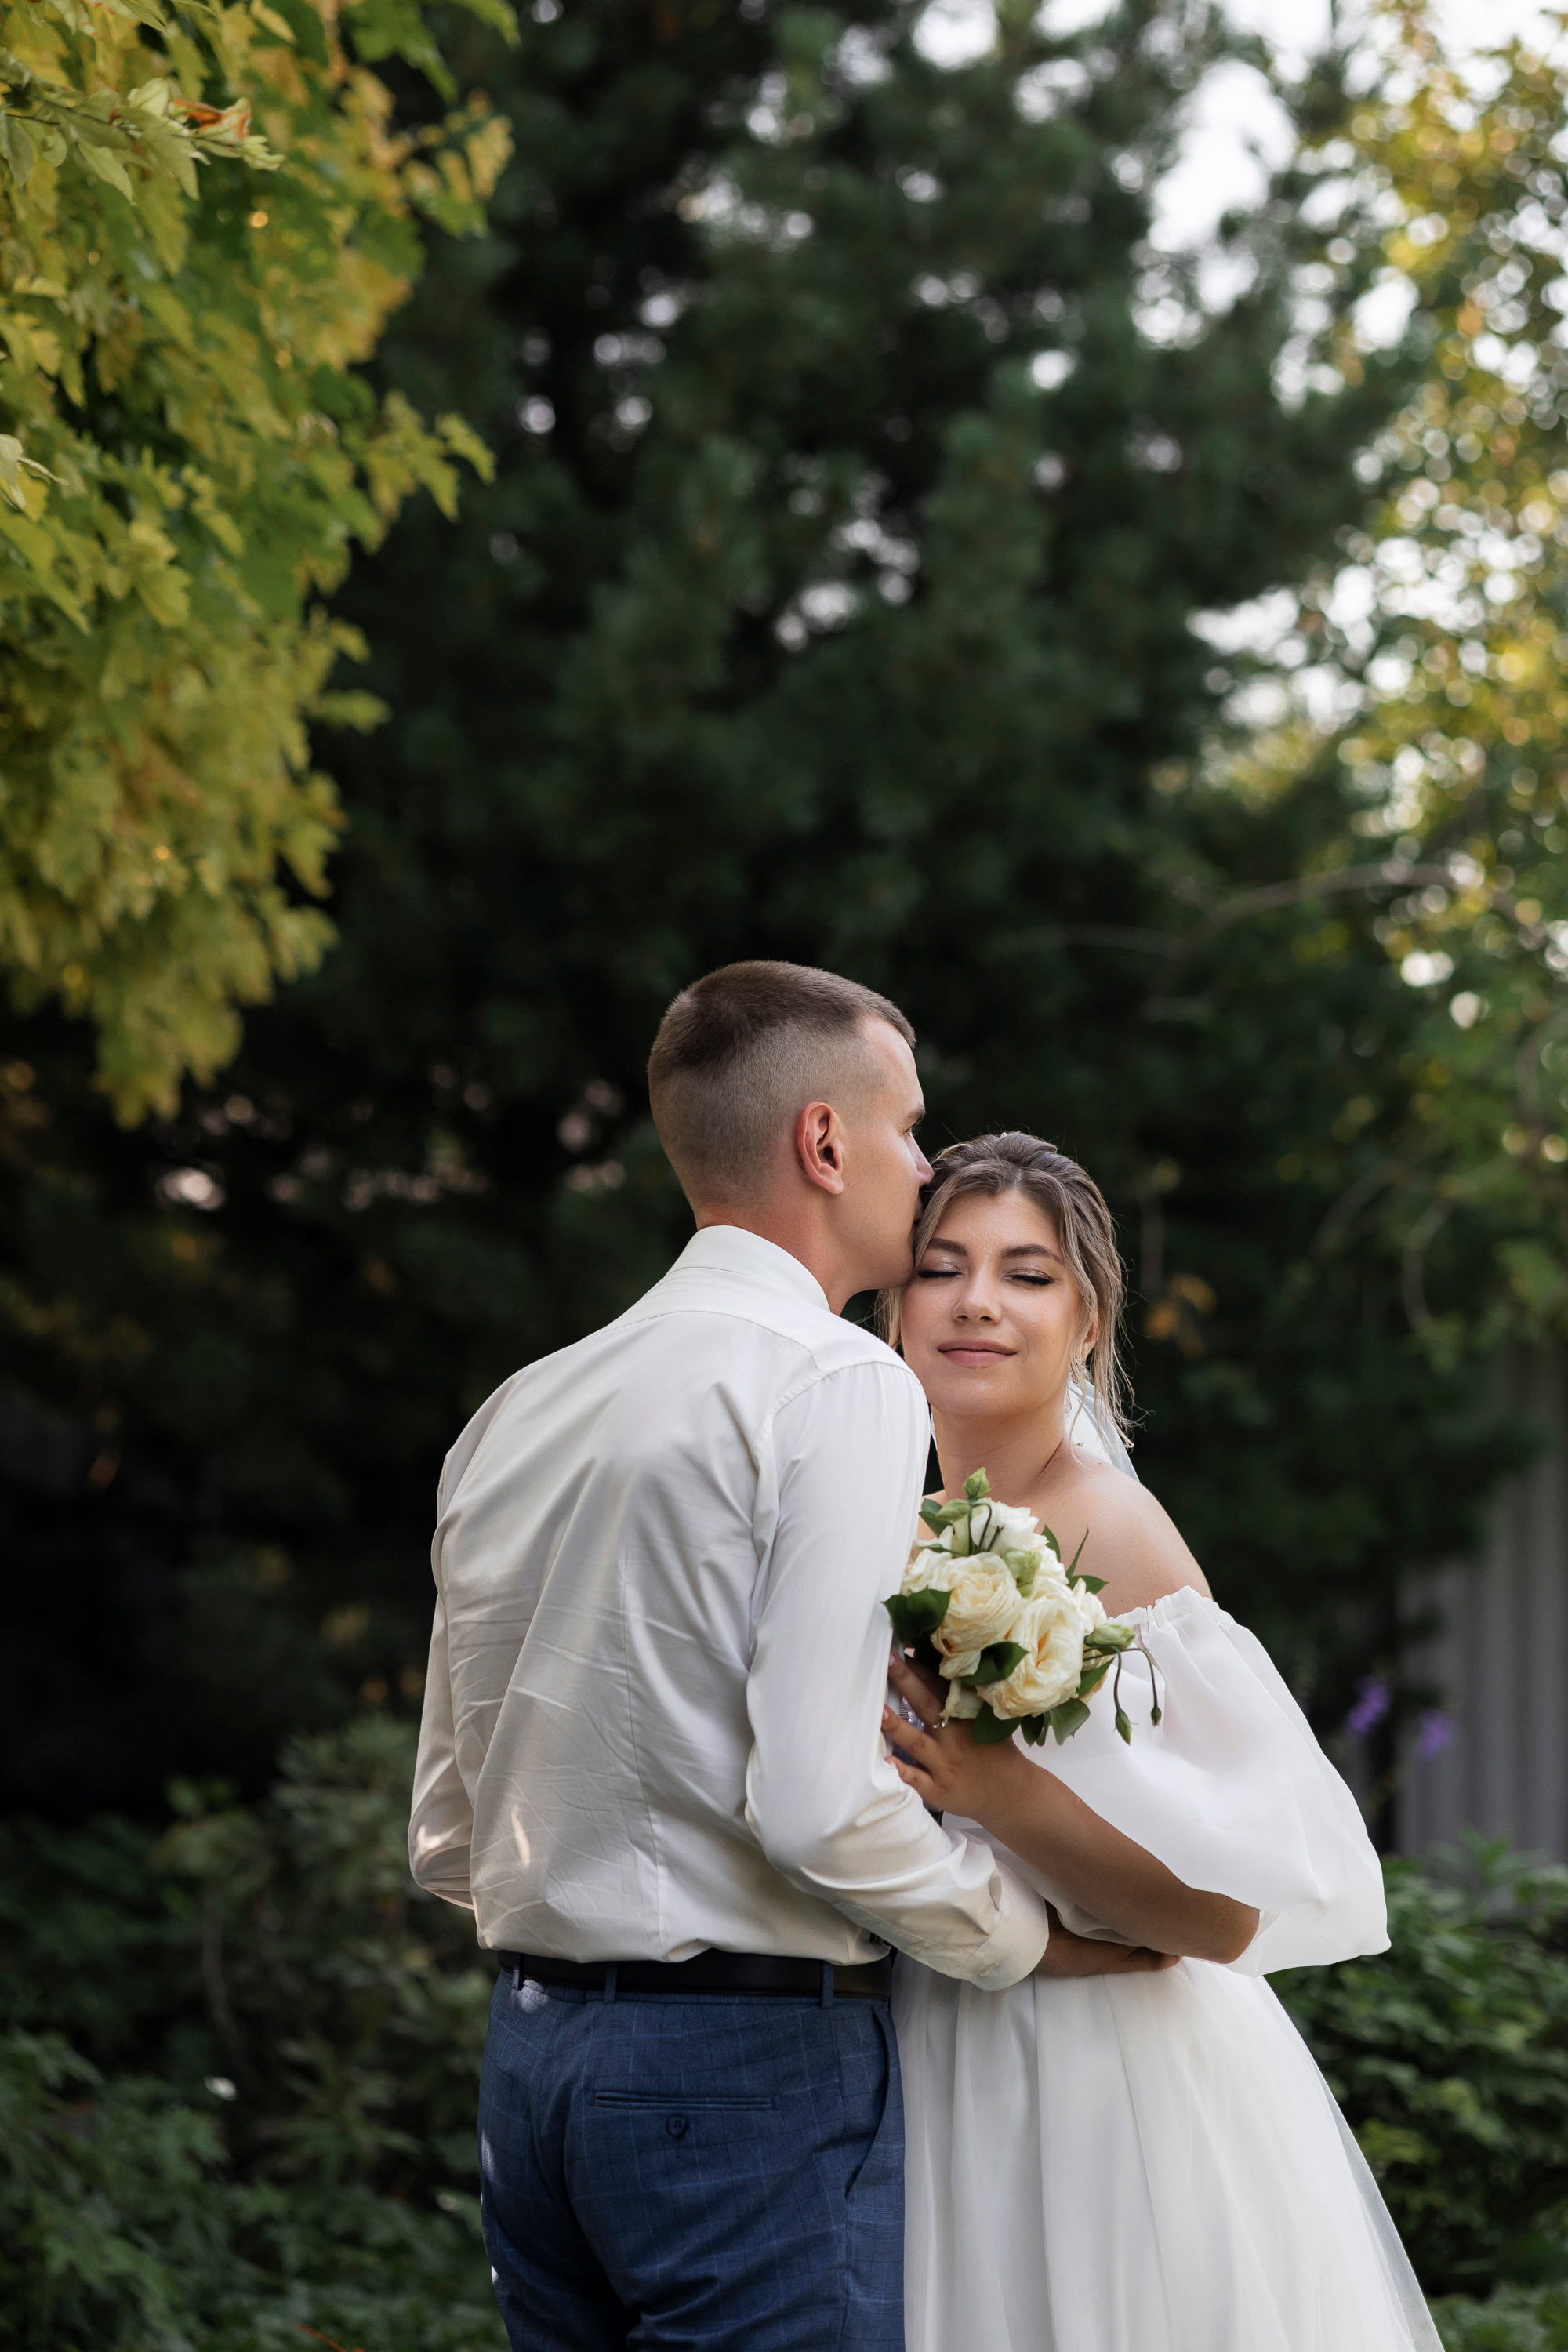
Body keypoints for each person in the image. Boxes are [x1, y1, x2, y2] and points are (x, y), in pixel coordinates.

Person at [407, 967, 1159, 2352]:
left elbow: (450, 1833)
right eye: (908, 1130)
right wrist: (1020, 1940)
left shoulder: (517, 1408)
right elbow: (815, 1802)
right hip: (742, 2068)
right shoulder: (836, 1379)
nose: (924, 1168)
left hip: (529, 2065)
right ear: (825, 1143)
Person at [880, 1130, 1443, 2352]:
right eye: (943, 1266)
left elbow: (1222, 1917)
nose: (977, 1302)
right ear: (895, 1301)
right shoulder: (886, 1519)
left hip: (1095, 2077)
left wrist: (999, 1792)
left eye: (1027, 1275)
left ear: (1087, 1323)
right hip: (929, 2042)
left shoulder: (1111, 1532)